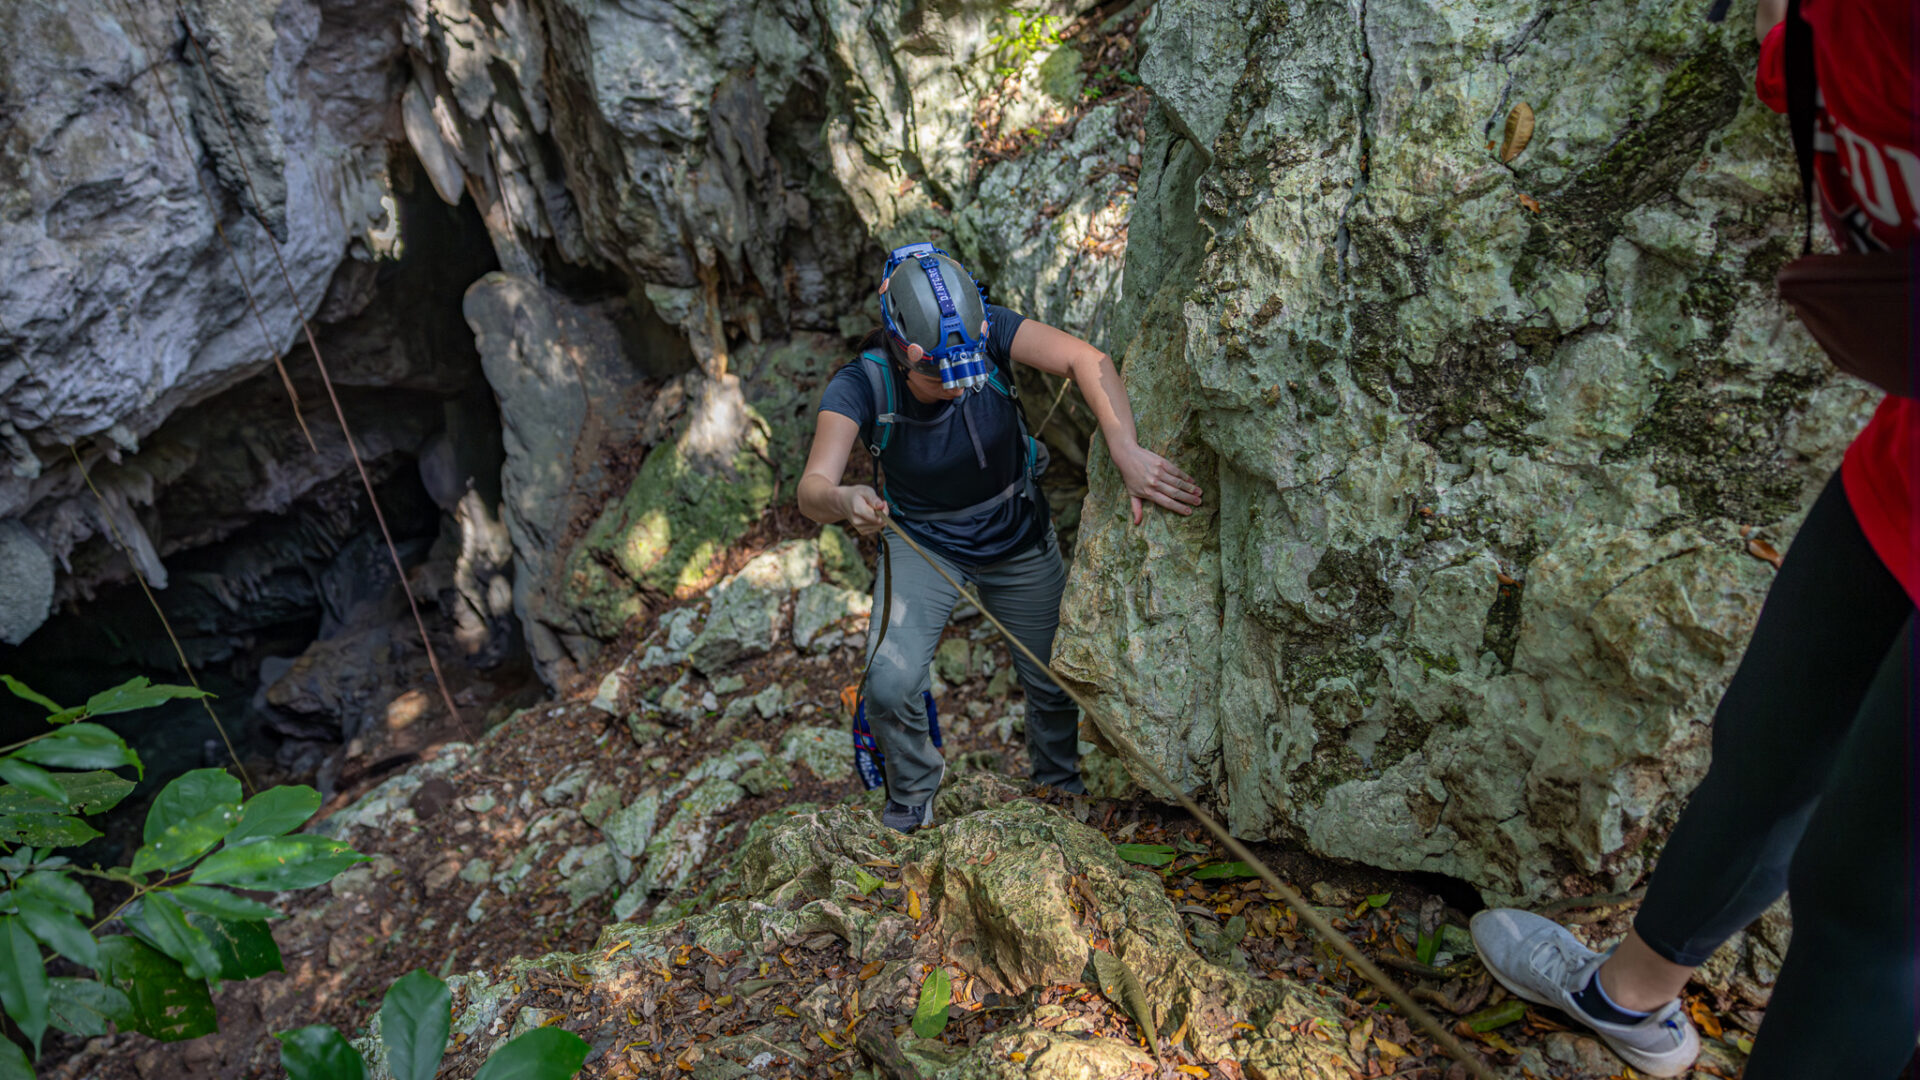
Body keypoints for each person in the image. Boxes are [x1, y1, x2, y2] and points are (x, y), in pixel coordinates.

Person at [1470, 1, 1917, 1077]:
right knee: (1769, 744)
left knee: (1866, 904)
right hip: (1899, 475)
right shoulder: (1819, 35)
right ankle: (1631, 999)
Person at [797, 243, 1202, 832]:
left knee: (1053, 680)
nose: (960, 387)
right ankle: (912, 792)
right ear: (904, 353)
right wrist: (843, 499)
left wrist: (1124, 448)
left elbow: (1088, 362)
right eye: (940, 376)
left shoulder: (989, 333)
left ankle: (1056, 789)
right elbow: (812, 489)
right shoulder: (864, 383)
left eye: (967, 373)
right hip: (924, 543)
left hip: (1018, 532)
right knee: (888, 681)